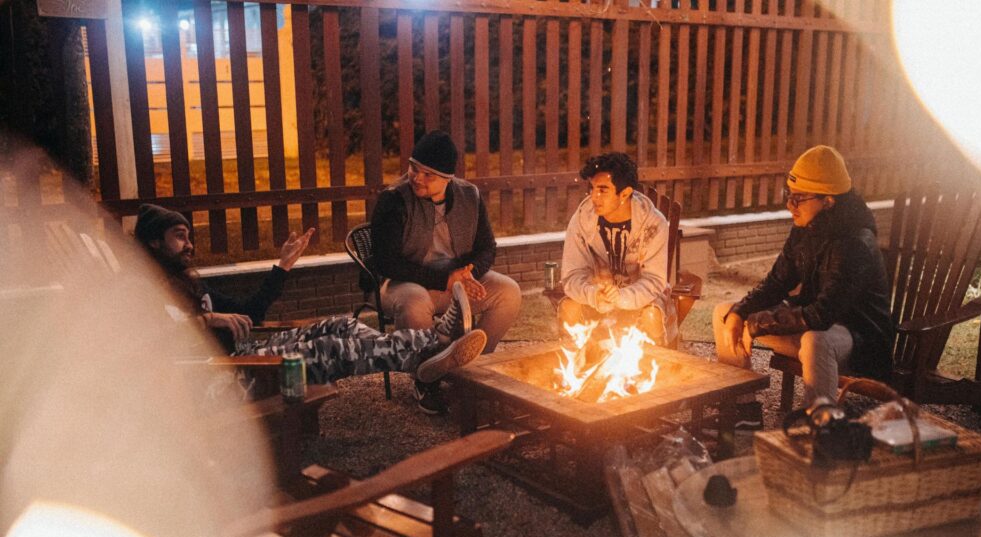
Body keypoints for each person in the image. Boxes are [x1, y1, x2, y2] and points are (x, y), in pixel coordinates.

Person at [134, 203, 487, 413]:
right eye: (179, 236)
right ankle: (431, 345)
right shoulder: (145, 292)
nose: (189, 244)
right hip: (228, 377)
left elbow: (249, 314)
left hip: (246, 354)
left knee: (340, 327)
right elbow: (151, 339)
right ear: (153, 242)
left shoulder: (187, 283)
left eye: (188, 236)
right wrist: (205, 318)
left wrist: (283, 265)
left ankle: (424, 352)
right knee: (333, 348)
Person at [713, 145, 894, 429]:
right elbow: (777, 282)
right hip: (816, 327)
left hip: (859, 342)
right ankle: (744, 408)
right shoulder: (807, 226)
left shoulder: (856, 243)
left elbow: (821, 315)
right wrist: (742, 312)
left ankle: (820, 425)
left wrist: (757, 323)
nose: (789, 205)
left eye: (798, 198)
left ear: (829, 201)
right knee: (725, 313)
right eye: (789, 195)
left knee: (815, 341)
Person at [371, 130, 522, 412]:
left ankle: (471, 367)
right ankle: (425, 381)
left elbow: (487, 246)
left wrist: (469, 272)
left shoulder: (469, 196)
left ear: (447, 179)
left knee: (508, 292)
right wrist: (444, 279)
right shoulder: (393, 199)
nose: (417, 178)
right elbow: (385, 261)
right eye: (414, 168)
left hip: (456, 280)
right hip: (404, 282)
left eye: (429, 175)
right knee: (414, 302)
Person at [559, 152, 676, 346]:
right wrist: (593, 294)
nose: (594, 197)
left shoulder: (654, 224)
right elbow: (572, 274)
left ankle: (655, 372)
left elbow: (654, 281)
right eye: (592, 188)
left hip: (642, 299)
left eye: (603, 190)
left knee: (651, 315)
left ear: (625, 193)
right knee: (569, 307)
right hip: (597, 298)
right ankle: (578, 371)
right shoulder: (582, 219)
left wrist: (621, 297)